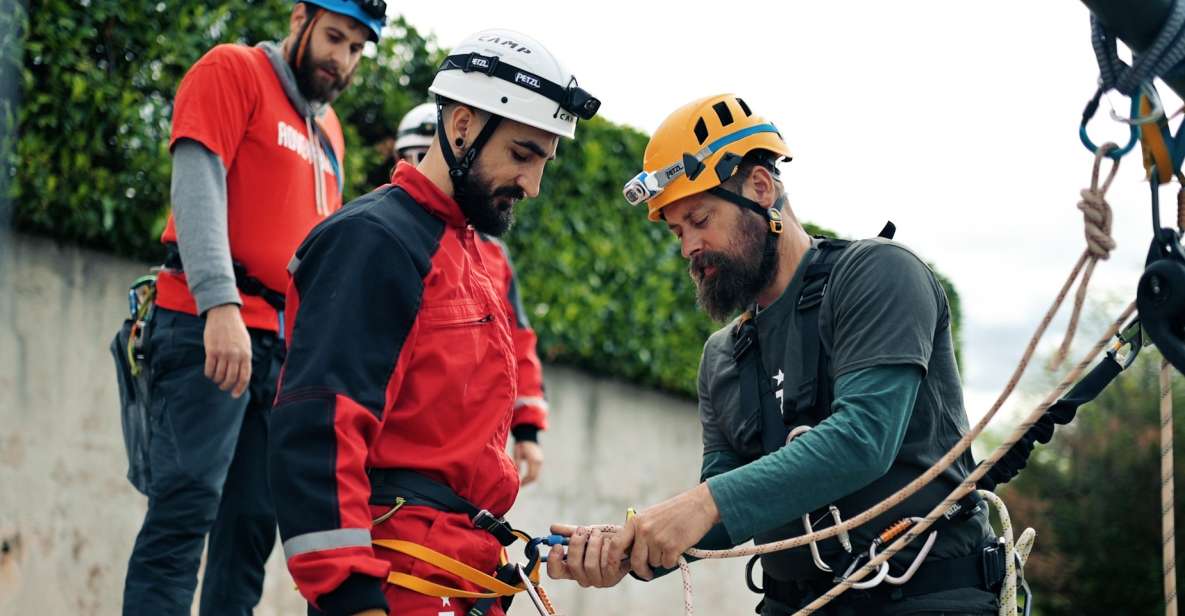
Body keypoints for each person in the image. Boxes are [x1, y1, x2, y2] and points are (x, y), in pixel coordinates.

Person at [546, 94, 1001, 616]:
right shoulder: (723, 357)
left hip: (927, 596)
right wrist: (628, 546)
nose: (688, 247)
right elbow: (718, 516)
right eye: (677, 231)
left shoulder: (878, 275)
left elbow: (864, 439)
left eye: (699, 218)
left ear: (760, 188)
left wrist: (701, 504)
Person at [268, 29, 598, 616]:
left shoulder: (467, 251)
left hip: (458, 577)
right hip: (401, 584)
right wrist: (351, 598)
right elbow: (320, 431)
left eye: (543, 162)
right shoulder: (376, 241)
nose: (533, 184)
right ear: (464, 124)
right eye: (523, 155)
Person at [120, 2, 384, 615]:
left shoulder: (331, 132)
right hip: (206, 325)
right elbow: (196, 180)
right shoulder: (233, 70)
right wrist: (219, 304)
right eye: (334, 37)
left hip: (281, 352)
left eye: (355, 50)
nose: (340, 59)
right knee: (184, 514)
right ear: (301, 19)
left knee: (249, 535)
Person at [394, 101, 549, 485]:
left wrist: (527, 431)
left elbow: (518, 341)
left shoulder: (494, 253)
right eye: (410, 157)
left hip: (472, 454)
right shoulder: (383, 233)